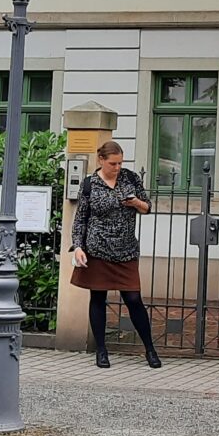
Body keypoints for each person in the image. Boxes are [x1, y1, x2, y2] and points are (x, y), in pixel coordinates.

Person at [69, 141, 161, 369]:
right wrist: (78, 246)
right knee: (98, 298)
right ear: (101, 160)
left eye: (120, 163)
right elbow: (81, 218)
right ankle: (101, 351)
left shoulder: (130, 178)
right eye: (113, 163)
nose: (117, 167)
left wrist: (136, 202)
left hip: (126, 250)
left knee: (133, 299)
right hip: (97, 249)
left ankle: (150, 349)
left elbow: (148, 207)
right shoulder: (90, 184)